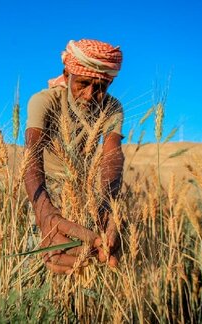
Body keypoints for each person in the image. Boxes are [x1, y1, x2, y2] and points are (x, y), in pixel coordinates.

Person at [24, 39, 124, 274]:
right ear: (67, 75)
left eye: (100, 87)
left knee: (87, 260)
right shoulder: (44, 101)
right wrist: (44, 215)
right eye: (83, 83)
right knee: (41, 261)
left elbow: (113, 155)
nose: (90, 95)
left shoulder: (112, 108)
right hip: (43, 191)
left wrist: (107, 209)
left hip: (83, 192)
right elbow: (32, 156)